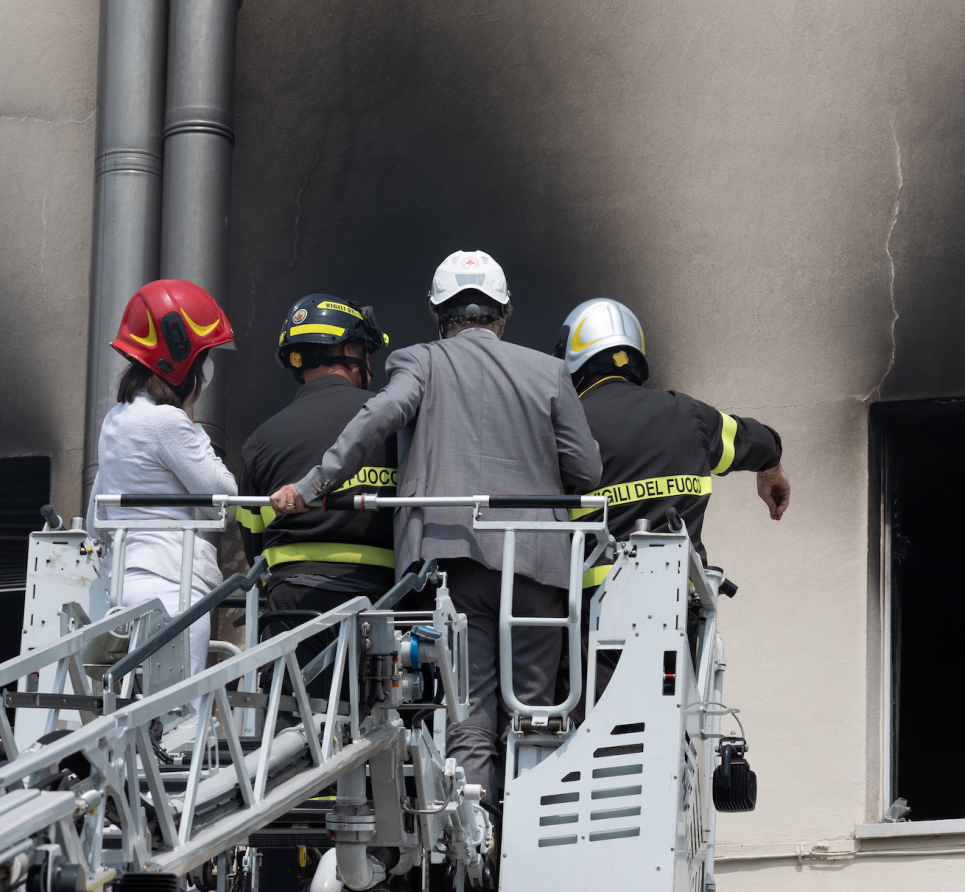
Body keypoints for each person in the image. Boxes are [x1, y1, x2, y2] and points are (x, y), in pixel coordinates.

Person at [269, 251, 602, 801]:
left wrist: (311, 486)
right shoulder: (549, 372)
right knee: (535, 716)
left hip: (452, 563)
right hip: (538, 566)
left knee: (468, 717)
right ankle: (527, 836)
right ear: (504, 312)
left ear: (436, 312)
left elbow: (378, 417)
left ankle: (477, 840)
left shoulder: (419, 361)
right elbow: (587, 472)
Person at [554, 296, 789, 579]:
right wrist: (772, 470)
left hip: (591, 599)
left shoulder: (565, 424)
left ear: (569, 358)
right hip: (681, 597)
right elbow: (758, 442)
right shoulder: (689, 413)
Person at [86, 279, 238, 677]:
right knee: (179, 711)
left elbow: (94, 520)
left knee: (128, 711)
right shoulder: (168, 422)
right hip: (172, 587)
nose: (207, 369)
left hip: (121, 589)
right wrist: (193, 424)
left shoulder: (115, 421)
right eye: (204, 356)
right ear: (182, 358)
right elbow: (224, 499)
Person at [238, 295, 396, 670]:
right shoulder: (393, 427)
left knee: (291, 704)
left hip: (290, 605)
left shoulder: (261, 440)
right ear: (349, 350)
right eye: (365, 352)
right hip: (385, 604)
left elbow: (252, 540)